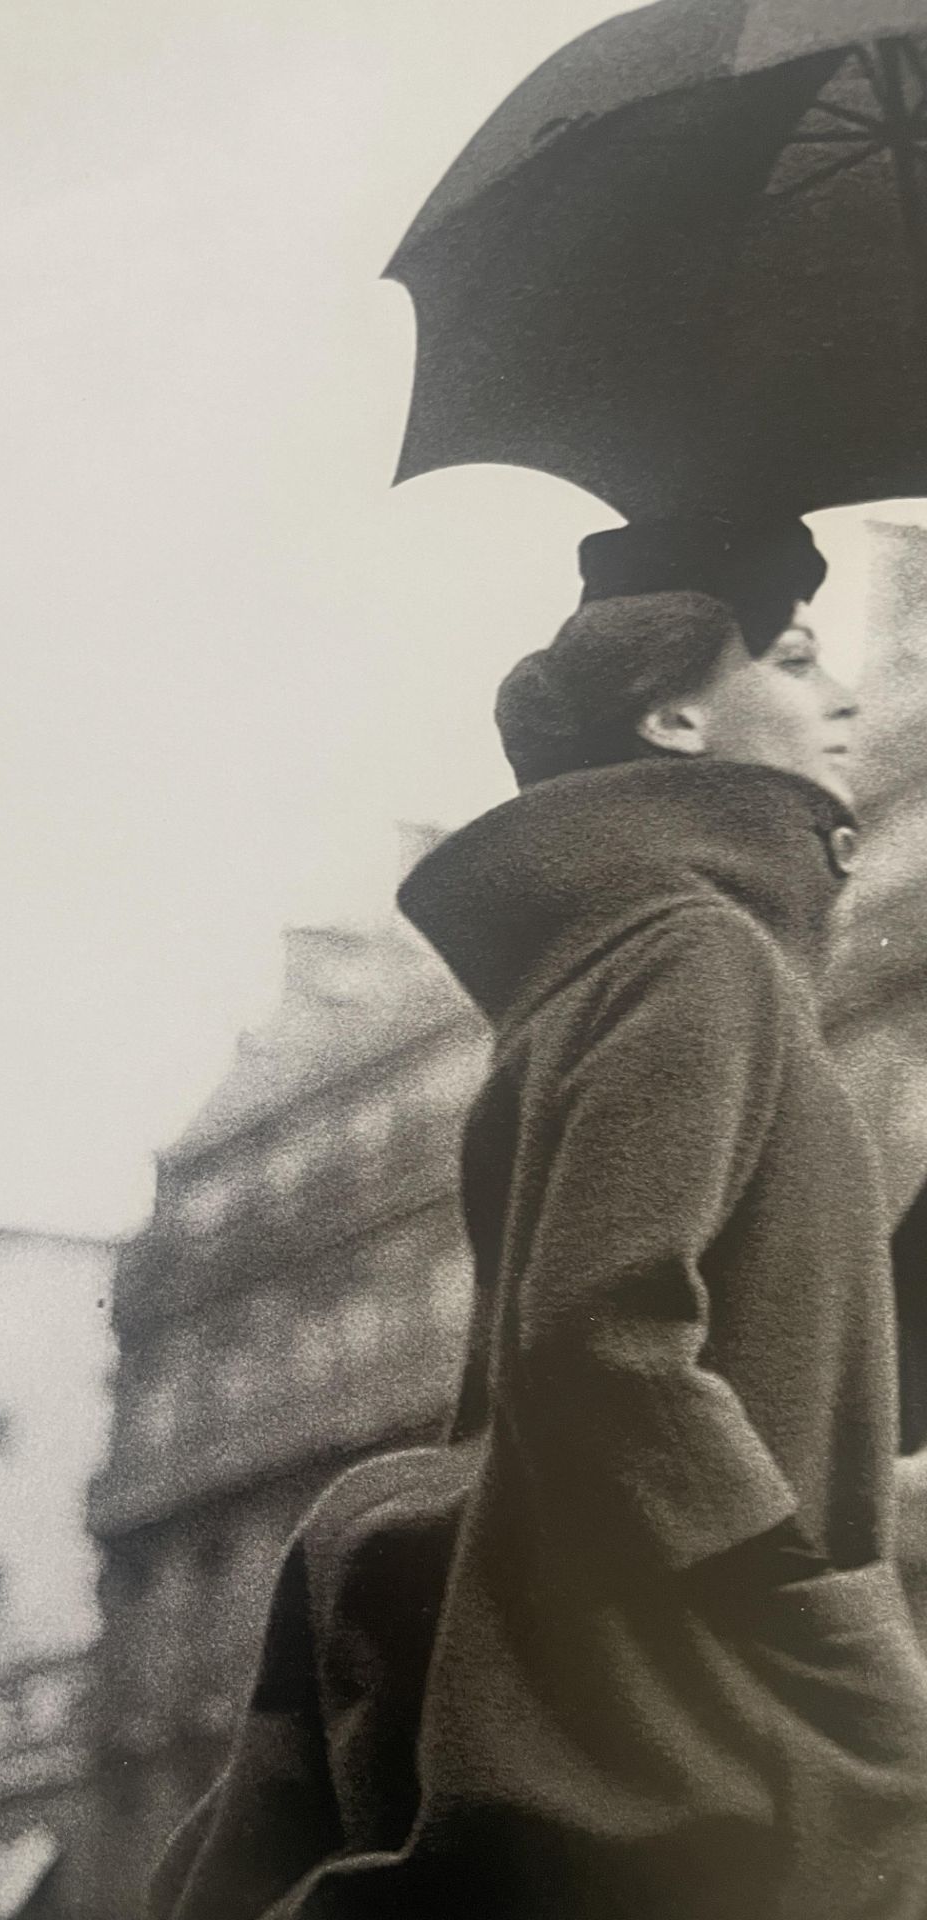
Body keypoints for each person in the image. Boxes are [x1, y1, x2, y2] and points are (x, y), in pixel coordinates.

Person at [151, 515, 927, 1920]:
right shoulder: (702, 954)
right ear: (679, 712)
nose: (848, 696)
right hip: (712, 1711)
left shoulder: (621, 958)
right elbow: (604, 1333)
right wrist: (821, 1626)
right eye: (799, 659)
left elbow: (757, 1335)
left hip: (625, 1691)